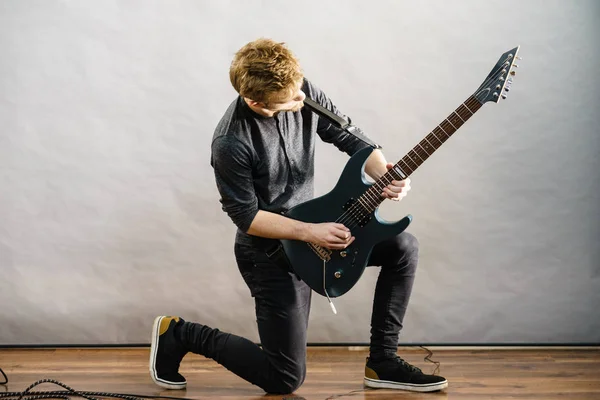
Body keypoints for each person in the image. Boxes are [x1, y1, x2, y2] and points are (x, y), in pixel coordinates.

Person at [149, 38, 448, 394]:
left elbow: (351, 138)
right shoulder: (230, 142)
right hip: (268, 253)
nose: (301, 102)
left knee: (403, 246)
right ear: (255, 101)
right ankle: (178, 333)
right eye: (290, 102)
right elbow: (246, 216)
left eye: (300, 91)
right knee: (284, 379)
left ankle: (382, 361)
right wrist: (310, 233)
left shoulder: (299, 90)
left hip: (317, 232)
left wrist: (385, 174)